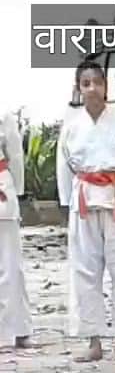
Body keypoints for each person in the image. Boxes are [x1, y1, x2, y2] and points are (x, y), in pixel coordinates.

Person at [56, 60, 115, 362]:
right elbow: (64, 168)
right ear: (78, 89)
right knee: (85, 270)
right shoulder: (72, 127)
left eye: (97, 83)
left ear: (106, 87)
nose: (92, 89)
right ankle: (93, 340)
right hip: (85, 201)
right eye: (86, 84)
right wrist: (67, 204)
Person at [0, 107, 32, 349]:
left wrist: (17, 191)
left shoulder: (4, 116)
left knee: (9, 263)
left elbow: (15, 156)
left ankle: (17, 328)